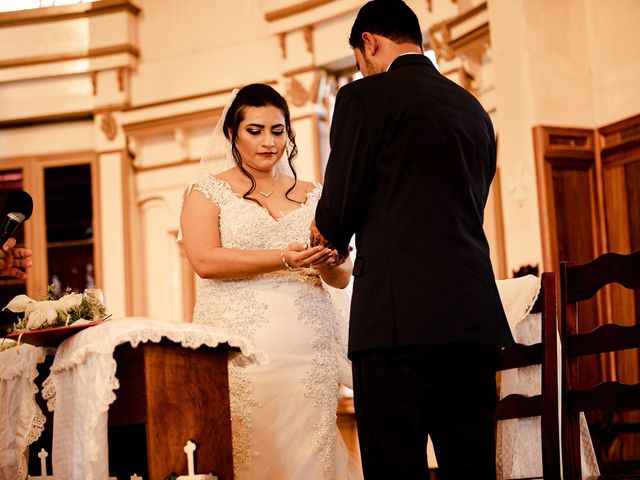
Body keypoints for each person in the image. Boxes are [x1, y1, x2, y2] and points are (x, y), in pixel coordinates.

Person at [311, 1, 515, 478]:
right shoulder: (473, 109)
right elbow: (470, 205)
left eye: (361, 63)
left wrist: (328, 232)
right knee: (471, 467)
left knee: (395, 468)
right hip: (472, 318)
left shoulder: (362, 99)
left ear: (368, 43)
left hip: (395, 321)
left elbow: (337, 212)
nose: (362, 72)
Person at [180, 83, 362, 479]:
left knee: (311, 453)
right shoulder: (207, 192)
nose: (269, 142)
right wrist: (283, 257)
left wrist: (328, 260)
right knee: (252, 450)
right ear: (233, 134)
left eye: (277, 131)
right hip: (242, 349)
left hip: (308, 349)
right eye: (255, 130)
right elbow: (204, 260)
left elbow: (342, 276)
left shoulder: (315, 195)